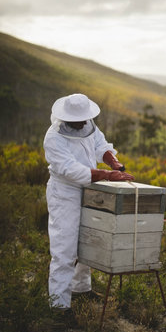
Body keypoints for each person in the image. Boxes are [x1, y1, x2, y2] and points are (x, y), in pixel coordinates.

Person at [43, 93, 134, 313]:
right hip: (65, 192)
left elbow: (100, 144)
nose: (85, 122)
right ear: (66, 119)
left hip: (90, 188)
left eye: (86, 118)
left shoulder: (87, 125)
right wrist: (107, 175)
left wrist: (112, 160)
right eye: (80, 120)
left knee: (86, 240)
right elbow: (70, 169)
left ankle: (81, 289)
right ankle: (58, 306)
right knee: (64, 249)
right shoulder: (54, 138)